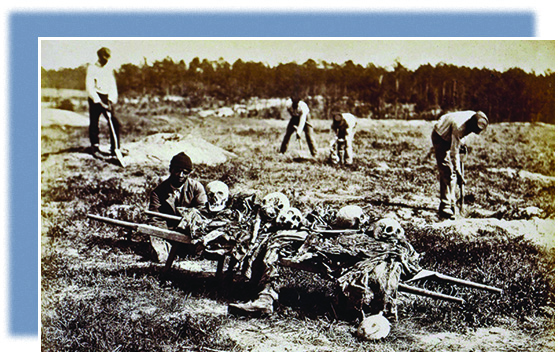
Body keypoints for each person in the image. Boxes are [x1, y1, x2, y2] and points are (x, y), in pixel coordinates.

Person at [147, 152, 208, 262]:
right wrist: (168, 235)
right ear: (171, 169)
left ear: (190, 173)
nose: (180, 175)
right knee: (160, 256)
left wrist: (186, 227)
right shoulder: (158, 192)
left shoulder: (197, 188)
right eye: (177, 170)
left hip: (190, 231)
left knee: (200, 252)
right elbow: (155, 218)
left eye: (185, 172)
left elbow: (203, 212)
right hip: (168, 232)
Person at [431, 110, 488, 219]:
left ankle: (452, 203)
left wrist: (462, 143)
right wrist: (458, 171)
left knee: (451, 174)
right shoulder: (459, 127)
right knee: (447, 171)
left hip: (451, 133)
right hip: (440, 135)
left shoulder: (475, 116)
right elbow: (454, 152)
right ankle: (445, 206)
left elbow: (461, 138)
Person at [86, 47, 121, 158]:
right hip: (95, 97)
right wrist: (98, 101)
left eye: (108, 57)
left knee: (114, 123)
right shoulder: (92, 68)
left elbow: (112, 85)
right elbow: (89, 87)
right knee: (94, 123)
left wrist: (110, 100)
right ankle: (95, 147)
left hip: (107, 97)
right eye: (104, 57)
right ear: (99, 56)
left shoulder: (109, 69)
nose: (106, 59)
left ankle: (115, 149)